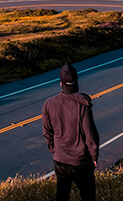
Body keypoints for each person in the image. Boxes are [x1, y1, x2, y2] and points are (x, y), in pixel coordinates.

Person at [42, 63, 100, 201]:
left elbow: (47, 132)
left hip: (60, 160)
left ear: (61, 83)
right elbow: (90, 134)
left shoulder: (49, 104)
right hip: (81, 162)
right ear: (76, 82)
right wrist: (94, 156)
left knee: (62, 195)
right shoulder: (83, 104)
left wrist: (55, 150)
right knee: (88, 196)